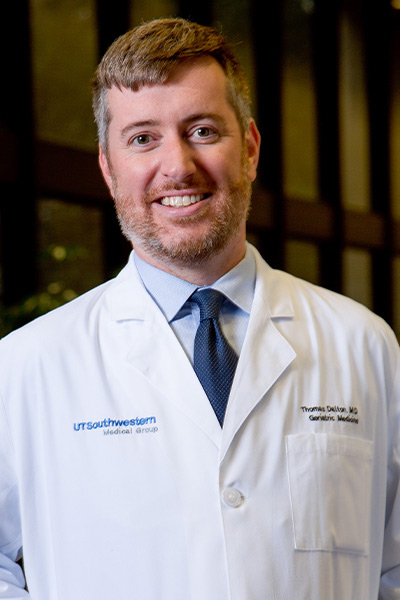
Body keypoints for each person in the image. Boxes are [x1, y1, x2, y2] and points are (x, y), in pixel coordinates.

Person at [0, 17, 399, 600]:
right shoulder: (27, 365)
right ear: (110, 171)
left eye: (204, 130)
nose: (178, 165)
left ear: (252, 148)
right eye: (142, 138)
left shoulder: (362, 344)